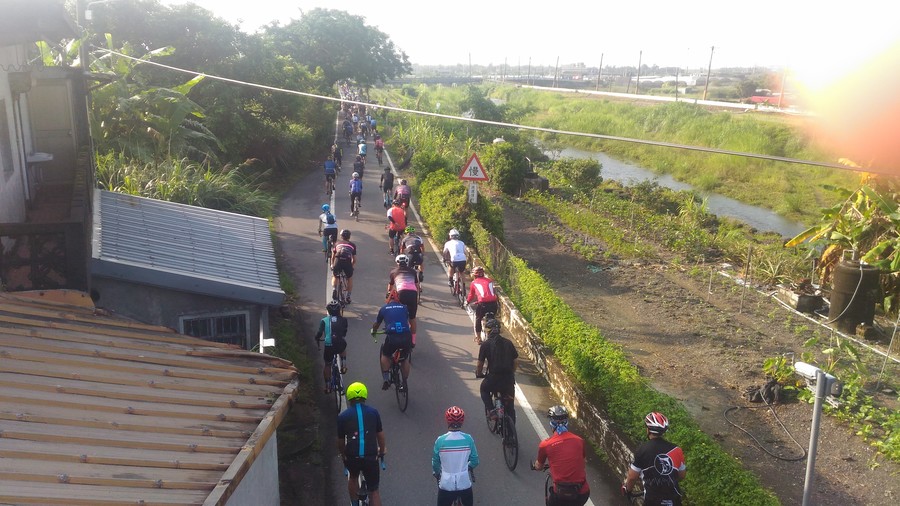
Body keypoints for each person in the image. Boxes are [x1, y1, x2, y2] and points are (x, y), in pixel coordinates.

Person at [622, 412, 686, 506]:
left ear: (648, 430)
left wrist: (627, 489)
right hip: (674, 500)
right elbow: (681, 475)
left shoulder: (642, 450)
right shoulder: (677, 450)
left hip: (653, 501)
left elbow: (632, 478)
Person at [337, 382, 386, 506]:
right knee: (374, 490)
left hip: (352, 456)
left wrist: (343, 454)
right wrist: (382, 450)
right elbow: (380, 434)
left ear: (349, 397)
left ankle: (354, 503)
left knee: (353, 477)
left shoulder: (343, 417)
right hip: (371, 456)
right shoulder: (374, 412)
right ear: (365, 396)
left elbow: (341, 441)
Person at [531, 406, 591, 506]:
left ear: (551, 423)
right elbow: (583, 461)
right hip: (582, 493)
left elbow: (539, 466)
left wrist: (535, 466)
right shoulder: (579, 440)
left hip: (561, 495)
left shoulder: (545, 445)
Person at [433, 406, 479, 506]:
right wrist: (468, 467)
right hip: (464, 483)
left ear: (447, 421)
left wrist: (437, 473)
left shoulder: (440, 441)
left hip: (446, 485)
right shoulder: (468, 439)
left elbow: (435, 463)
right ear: (462, 422)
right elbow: (475, 460)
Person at [475, 316, 518, 423]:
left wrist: (479, 374)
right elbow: (516, 361)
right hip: (508, 380)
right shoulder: (508, 342)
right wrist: (511, 372)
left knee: (484, 389)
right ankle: (512, 432)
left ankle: (492, 411)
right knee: (510, 407)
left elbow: (480, 364)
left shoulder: (485, 345)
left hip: (493, 379)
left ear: (487, 332)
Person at [371, 297, 413, 392]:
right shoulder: (404, 307)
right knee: (405, 359)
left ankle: (386, 379)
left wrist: (374, 331)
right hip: (406, 336)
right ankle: (404, 382)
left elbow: (376, 324)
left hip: (392, 337)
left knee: (385, 355)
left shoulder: (384, 309)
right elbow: (408, 321)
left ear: (388, 300)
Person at [314, 300, 348, 393]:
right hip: (340, 344)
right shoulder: (344, 320)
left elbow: (320, 333)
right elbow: (344, 332)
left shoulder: (324, 320)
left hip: (329, 345)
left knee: (328, 364)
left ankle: (328, 386)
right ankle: (344, 365)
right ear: (339, 310)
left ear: (328, 311)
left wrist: (316, 338)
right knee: (343, 345)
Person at [387, 254, 421, 345]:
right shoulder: (413, 271)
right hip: (413, 294)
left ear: (397, 263)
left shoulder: (394, 272)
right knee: (412, 318)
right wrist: (417, 298)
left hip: (401, 293)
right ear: (407, 262)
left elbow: (390, 288)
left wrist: (389, 293)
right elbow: (417, 286)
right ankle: (413, 340)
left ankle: (399, 334)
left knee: (399, 315)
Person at [466, 266, 498, 343]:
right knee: (493, 317)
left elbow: (471, 295)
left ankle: (478, 338)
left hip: (483, 304)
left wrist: (467, 302)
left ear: (474, 275)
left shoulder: (474, 283)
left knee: (478, 319)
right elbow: (492, 293)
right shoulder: (490, 281)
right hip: (494, 303)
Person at [332, 229, 357, 303]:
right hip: (347, 262)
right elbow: (354, 259)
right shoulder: (352, 245)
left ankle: (334, 289)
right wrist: (351, 266)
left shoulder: (337, 243)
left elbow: (333, 255)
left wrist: (332, 264)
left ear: (341, 236)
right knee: (350, 278)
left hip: (338, 260)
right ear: (349, 237)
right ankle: (348, 297)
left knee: (335, 276)